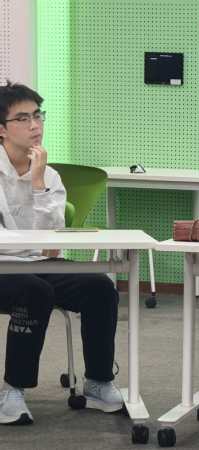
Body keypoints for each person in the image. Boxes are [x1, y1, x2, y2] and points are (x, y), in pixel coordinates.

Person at [0, 82, 123, 425]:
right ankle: (13, 390)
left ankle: (98, 382)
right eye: (23, 118)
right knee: (34, 290)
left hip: (38, 261)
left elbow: (50, 244)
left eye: (38, 116)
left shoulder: (50, 176)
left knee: (100, 286)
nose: (35, 125)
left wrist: (38, 183)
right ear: (2, 129)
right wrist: (25, 245)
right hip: (4, 267)